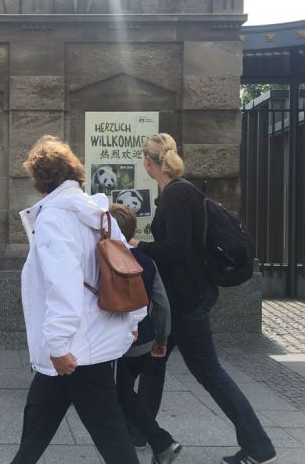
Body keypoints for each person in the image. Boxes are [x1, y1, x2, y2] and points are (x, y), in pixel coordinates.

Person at [131, 133, 277, 464]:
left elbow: (178, 249)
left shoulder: (176, 195)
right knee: (154, 362)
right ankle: (141, 432)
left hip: (187, 300)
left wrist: (140, 247)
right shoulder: (180, 191)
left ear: (149, 162)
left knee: (208, 371)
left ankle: (259, 446)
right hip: (181, 298)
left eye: (144, 158)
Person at [12, 135, 145, 464]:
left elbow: (63, 285)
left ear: (40, 180)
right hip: (90, 338)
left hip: (74, 348)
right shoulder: (99, 214)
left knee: (109, 433)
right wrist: (133, 320)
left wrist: (57, 345)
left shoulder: (54, 218)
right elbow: (128, 271)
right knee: (38, 418)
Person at [109, 203, 182, 464]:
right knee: (122, 392)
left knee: (120, 394)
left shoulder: (104, 259)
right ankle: (154, 441)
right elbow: (162, 305)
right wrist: (161, 339)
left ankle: (158, 441)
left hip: (114, 344)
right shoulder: (148, 262)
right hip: (143, 343)